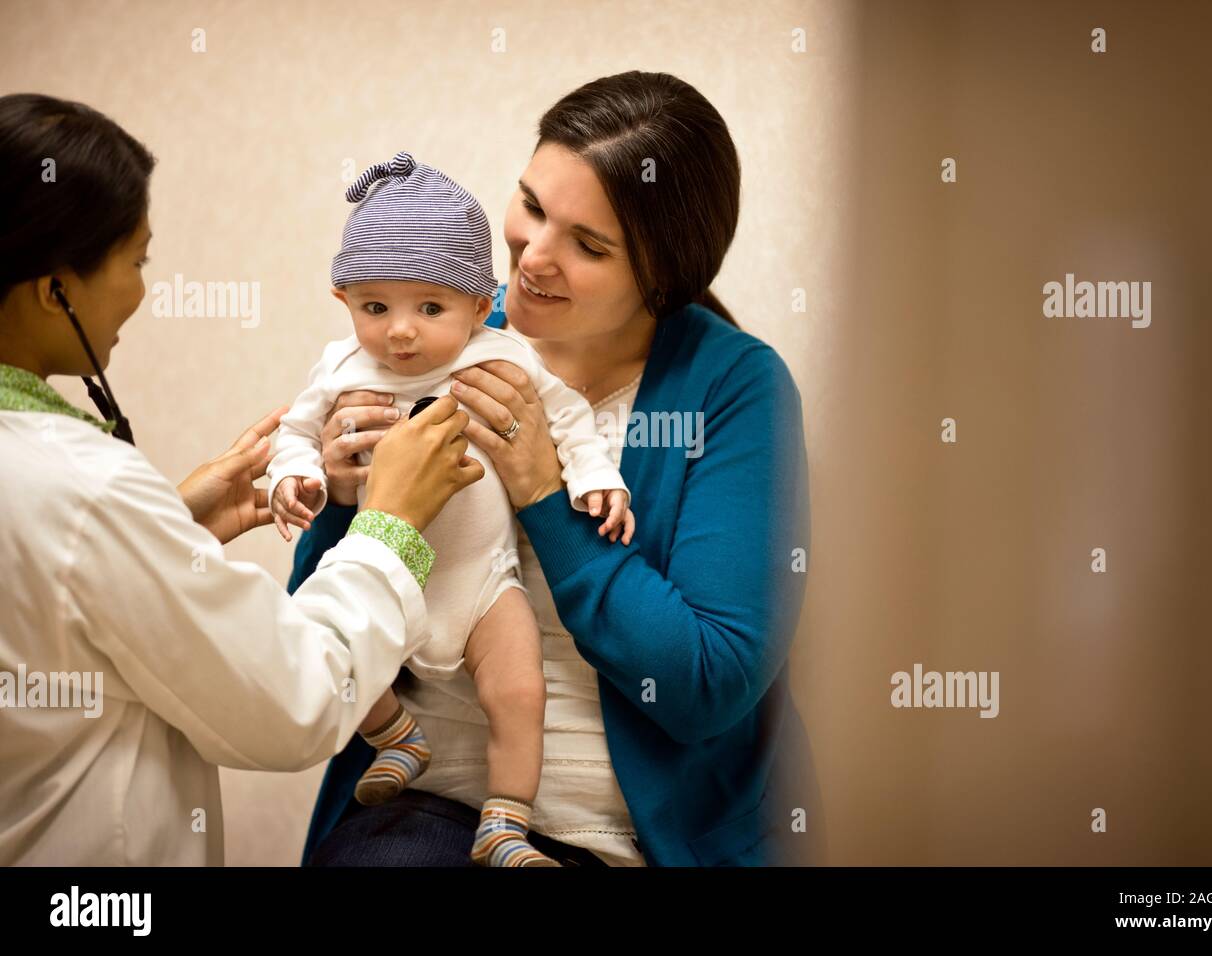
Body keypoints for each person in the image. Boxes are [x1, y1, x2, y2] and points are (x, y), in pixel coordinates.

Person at [298, 71, 824, 867]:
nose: (532, 258)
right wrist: (339, 500)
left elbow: (707, 681)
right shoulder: (435, 330)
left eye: (589, 245)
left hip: (630, 843)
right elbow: (316, 635)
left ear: (664, 278)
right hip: (421, 805)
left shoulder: (732, 388)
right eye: (533, 206)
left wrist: (545, 490)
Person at [0, 92, 483, 865]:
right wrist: (388, 525)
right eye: (137, 259)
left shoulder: (61, 484)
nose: (142, 289)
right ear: (56, 290)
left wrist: (167, 532)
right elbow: (291, 703)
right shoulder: (82, 490)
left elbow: (47, 605)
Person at [267, 150, 634, 866]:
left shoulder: (501, 356)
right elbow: (294, 432)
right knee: (333, 641)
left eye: (429, 308)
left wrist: (595, 476)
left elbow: (567, 417)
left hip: (483, 583)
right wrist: (303, 479)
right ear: (345, 301)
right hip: (386, 575)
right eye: (375, 307)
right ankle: (397, 736)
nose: (400, 331)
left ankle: (504, 822)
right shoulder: (342, 368)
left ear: (476, 303)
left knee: (519, 689)